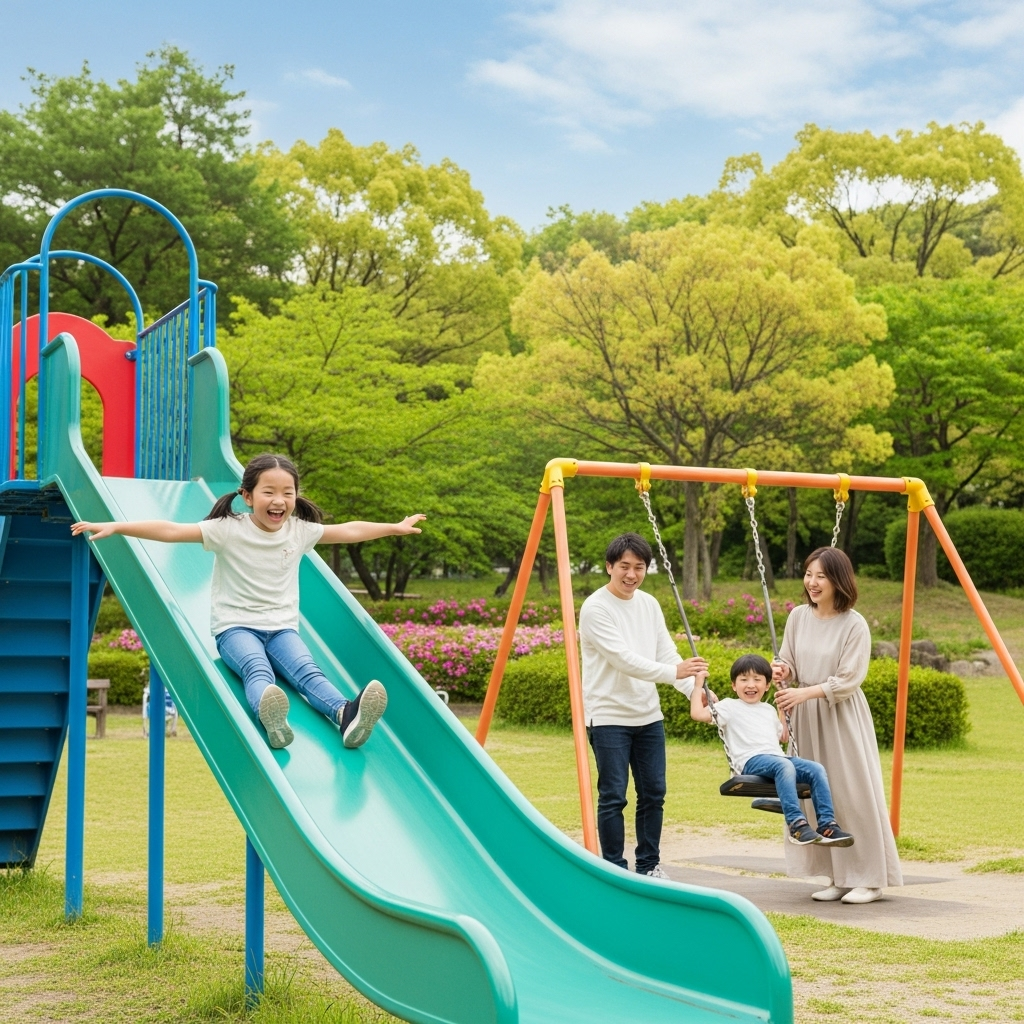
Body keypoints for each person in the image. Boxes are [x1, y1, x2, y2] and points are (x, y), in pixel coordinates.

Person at [71, 453, 425, 751]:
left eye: (288, 492)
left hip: (281, 628)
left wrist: (393, 527)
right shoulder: (228, 528)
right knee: (258, 669)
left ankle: (345, 715)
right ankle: (270, 717)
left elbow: (348, 530)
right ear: (247, 496)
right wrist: (118, 526)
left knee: (307, 671)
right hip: (234, 629)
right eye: (269, 491)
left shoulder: (299, 531)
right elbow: (172, 530)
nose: (279, 500)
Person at [773, 547, 902, 905]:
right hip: (807, 717)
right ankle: (838, 876)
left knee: (853, 794)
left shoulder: (854, 624)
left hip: (839, 715)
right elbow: (789, 661)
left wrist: (804, 693)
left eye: (821, 576)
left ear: (838, 581)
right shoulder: (798, 617)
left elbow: (848, 680)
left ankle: (871, 879)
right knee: (817, 798)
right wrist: (783, 671)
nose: (812, 583)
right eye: (808, 574)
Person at [578, 532, 709, 879]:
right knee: (613, 796)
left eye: (639, 567)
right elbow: (624, 659)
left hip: (648, 716)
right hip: (607, 717)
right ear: (609, 567)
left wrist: (694, 691)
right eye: (624, 566)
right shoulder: (595, 608)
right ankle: (614, 869)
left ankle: (649, 866)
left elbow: (665, 653)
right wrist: (674, 672)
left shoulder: (648, 604)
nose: (631, 574)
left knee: (654, 793)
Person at [689, 654, 854, 848]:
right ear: (734, 685)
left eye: (757, 679)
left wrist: (783, 711)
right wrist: (698, 686)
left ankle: (827, 825)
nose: (751, 685)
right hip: (751, 761)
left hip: (777, 760)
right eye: (744, 680)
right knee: (783, 764)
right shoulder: (727, 706)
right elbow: (697, 714)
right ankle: (796, 825)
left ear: (767, 685)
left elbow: (782, 736)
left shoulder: (768, 710)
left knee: (816, 769)